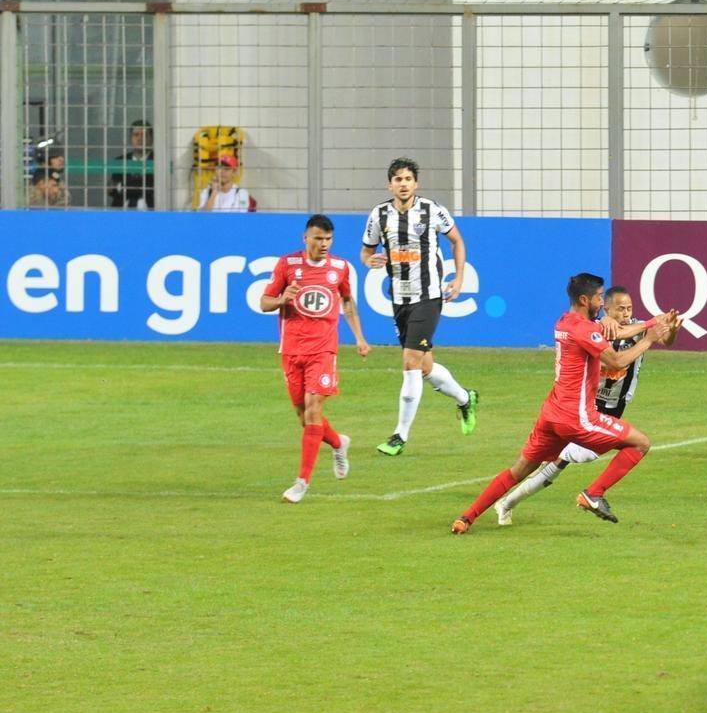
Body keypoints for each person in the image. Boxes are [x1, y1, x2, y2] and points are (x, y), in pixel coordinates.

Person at [451, 273, 674, 534]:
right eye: (599, 297)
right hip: (577, 417)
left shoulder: (566, 322)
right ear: (584, 299)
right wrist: (649, 339)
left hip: (551, 413)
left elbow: (612, 330)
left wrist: (651, 323)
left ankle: (466, 518)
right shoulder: (585, 329)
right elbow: (616, 361)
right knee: (640, 443)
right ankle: (594, 493)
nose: (602, 303)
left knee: (518, 470)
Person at [361, 157, 478, 456]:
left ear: (416, 183)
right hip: (399, 298)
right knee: (425, 367)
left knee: (410, 361)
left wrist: (459, 278)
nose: (403, 184)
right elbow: (366, 250)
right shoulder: (379, 215)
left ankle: (399, 436)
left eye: (408, 179)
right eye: (397, 179)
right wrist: (367, 260)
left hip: (429, 296)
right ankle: (466, 399)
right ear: (390, 184)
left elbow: (457, 241)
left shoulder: (432, 210)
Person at [261, 214, 371, 503]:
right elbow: (264, 303)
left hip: (323, 350)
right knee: (304, 417)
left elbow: (347, 301)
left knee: (312, 411)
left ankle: (301, 483)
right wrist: (282, 299)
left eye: (328, 239)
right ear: (306, 238)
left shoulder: (340, 268)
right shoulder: (287, 265)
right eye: (318, 238)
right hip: (291, 350)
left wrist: (359, 337)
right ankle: (338, 443)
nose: (324, 244)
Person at [108, 120, 154, 209]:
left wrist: (124, 186)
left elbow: (154, 191)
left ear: (151, 139)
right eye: (136, 135)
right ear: (131, 139)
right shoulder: (120, 161)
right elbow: (113, 191)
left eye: (144, 135)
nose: (140, 138)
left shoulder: (158, 162)